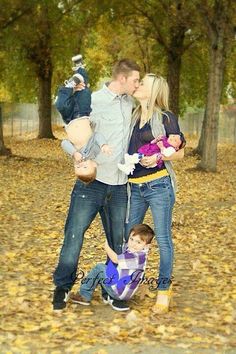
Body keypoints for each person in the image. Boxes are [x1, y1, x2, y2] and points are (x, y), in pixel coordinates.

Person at [53, 59, 140, 310]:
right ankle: (62, 288)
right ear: (122, 78)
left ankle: (111, 291)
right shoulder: (94, 101)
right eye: (135, 80)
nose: (137, 84)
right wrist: (74, 153)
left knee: (118, 241)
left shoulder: (131, 104)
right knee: (74, 236)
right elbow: (69, 135)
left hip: (120, 185)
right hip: (91, 184)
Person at [124, 74, 185, 314]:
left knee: (162, 238)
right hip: (134, 187)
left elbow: (179, 153)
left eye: (143, 83)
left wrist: (159, 156)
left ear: (154, 90)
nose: (137, 85)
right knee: (128, 237)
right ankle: (129, 286)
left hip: (159, 186)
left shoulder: (166, 118)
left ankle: (163, 291)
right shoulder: (133, 116)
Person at [69, 224, 155, 311]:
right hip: (126, 293)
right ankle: (108, 296)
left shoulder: (136, 257)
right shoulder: (141, 253)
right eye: (131, 239)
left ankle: (84, 295)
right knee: (107, 269)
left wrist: (106, 246)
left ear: (147, 245)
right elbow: (125, 245)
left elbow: (114, 259)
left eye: (138, 242)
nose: (133, 244)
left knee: (99, 268)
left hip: (118, 292)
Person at [55, 55, 112, 183]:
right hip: (83, 113)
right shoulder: (94, 152)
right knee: (84, 91)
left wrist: (74, 153)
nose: (81, 164)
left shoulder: (73, 153)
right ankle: (80, 68)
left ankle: (69, 86)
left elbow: (64, 142)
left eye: (78, 166)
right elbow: (96, 136)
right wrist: (104, 145)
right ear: (94, 164)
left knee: (60, 105)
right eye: (85, 167)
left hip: (69, 119)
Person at [118, 132, 186, 175]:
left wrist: (162, 147)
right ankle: (128, 167)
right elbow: (152, 143)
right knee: (137, 156)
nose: (173, 139)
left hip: (153, 160)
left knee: (137, 157)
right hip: (149, 152)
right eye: (173, 136)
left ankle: (129, 163)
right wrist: (156, 140)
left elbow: (166, 154)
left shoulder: (171, 149)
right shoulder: (163, 139)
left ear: (177, 147)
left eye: (175, 141)